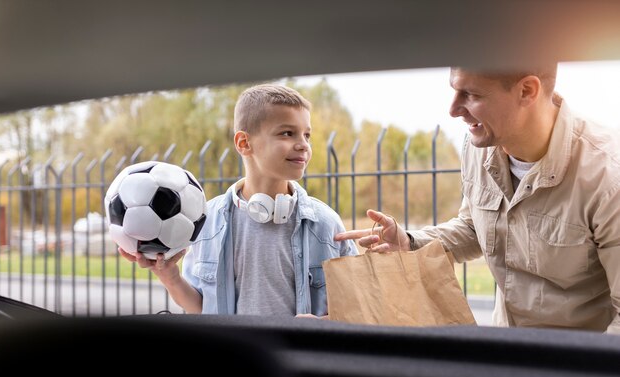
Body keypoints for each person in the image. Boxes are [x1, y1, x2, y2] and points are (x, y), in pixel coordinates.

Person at [335, 64, 620, 334]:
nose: (453, 109)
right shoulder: (478, 147)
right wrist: (410, 242)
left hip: (580, 365)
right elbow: (474, 227)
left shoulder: (608, 177)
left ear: (527, 91)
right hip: (508, 353)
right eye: (454, 91)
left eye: (471, 94)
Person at [120, 84, 357, 316]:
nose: (303, 144)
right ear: (244, 143)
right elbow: (202, 310)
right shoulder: (206, 221)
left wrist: (321, 324)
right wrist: (170, 278)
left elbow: (358, 310)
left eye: (307, 134)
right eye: (287, 133)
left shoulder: (326, 225)